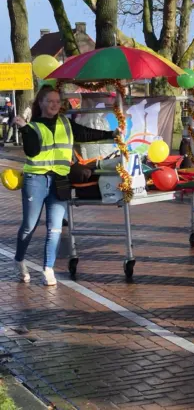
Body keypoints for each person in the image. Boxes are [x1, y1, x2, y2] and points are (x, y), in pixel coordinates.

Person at [13, 85, 119, 285]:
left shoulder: (66, 123)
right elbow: (32, 151)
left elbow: (87, 134)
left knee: (55, 228)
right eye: (50, 101)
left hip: (60, 180)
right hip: (36, 180)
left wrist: (111, 134)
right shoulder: (33, 126)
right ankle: (19, 260)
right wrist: (24, 128)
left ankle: (48, 268)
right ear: (41, 103)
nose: (54, 104)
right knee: (29, 226)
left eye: (57, 101)